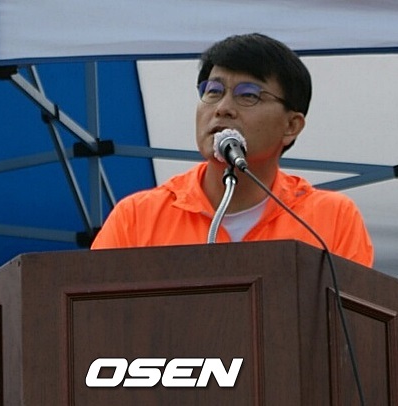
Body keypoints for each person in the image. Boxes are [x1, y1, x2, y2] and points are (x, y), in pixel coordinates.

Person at [91, 33, 374, 268]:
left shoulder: (331, 218)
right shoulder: (137, 217)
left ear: (291, 126)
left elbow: (348, 317)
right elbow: (95, 313)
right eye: (213, 91)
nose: (223, 108)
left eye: (248, 95)